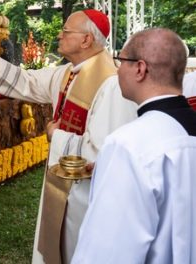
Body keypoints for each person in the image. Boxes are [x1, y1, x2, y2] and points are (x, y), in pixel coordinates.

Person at [0, 9, 137, 264]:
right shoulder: (68, 72)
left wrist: (56, 137)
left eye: (66, 31)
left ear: (86, 40)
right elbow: (28, 81)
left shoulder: (110, 84)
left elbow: (105, 153)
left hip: (85, 195)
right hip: (63, 184)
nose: (59, 35)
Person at [73, 28, 196, 263]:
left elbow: (107, 253)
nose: (118, 70)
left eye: (121, 61)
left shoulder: (128, 146)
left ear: (140, 69)